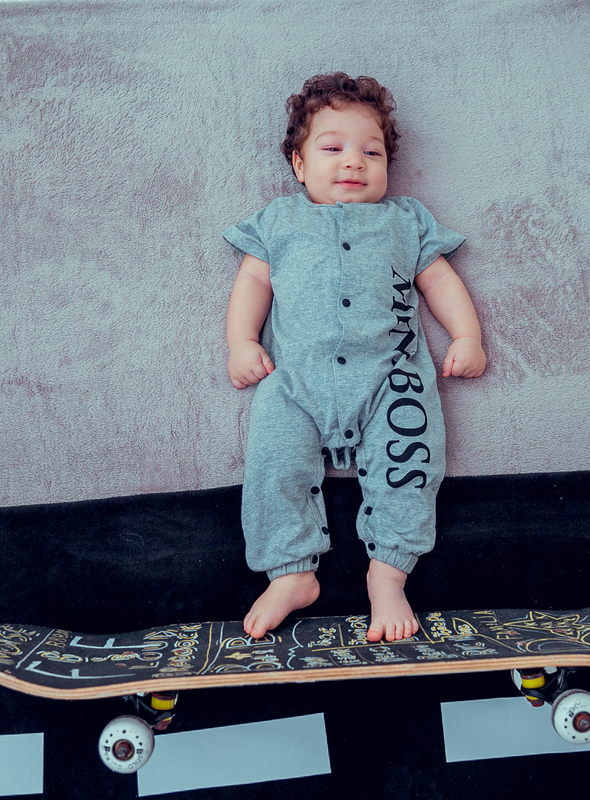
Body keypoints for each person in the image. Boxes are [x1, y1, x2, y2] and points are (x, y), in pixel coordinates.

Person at [223, 73, 486, 643]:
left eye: (372, 152)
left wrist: (466, 335)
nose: (354, 162)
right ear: (299, 165)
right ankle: (290, 572)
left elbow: (440, 281)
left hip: (392, 381)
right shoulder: (279, 221)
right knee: (273, 462)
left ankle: (388, 575)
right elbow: (253, 283)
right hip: (296, 381)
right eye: (333, 148)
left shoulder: (405, 221)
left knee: (410, 467)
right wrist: (242, 342)